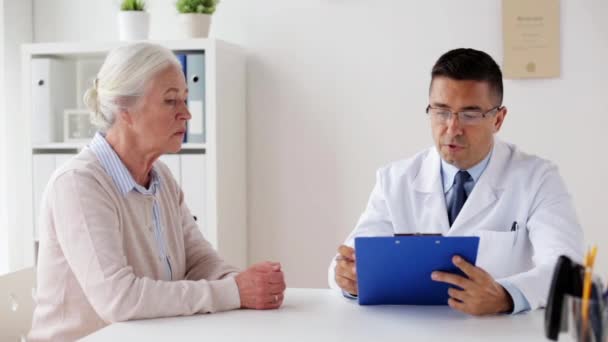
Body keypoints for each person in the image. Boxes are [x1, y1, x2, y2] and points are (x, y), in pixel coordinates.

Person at [29, 42, 286, 341]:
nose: (187, 114)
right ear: (125, 109)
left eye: (185, 99)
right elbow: (119, 300)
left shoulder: (160, 176)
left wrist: (244, 283)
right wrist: (233, 292)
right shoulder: (78, 184)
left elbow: (199, 261)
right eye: (171, 101)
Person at [328, 48, 583, 316]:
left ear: (498, 118)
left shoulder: (538, 179)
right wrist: (349, 280)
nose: (452, 128)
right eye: (441, 112)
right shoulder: (395, 180)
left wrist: (507, 295)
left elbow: (568, 268)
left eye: (469, 115)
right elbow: (349, 261)